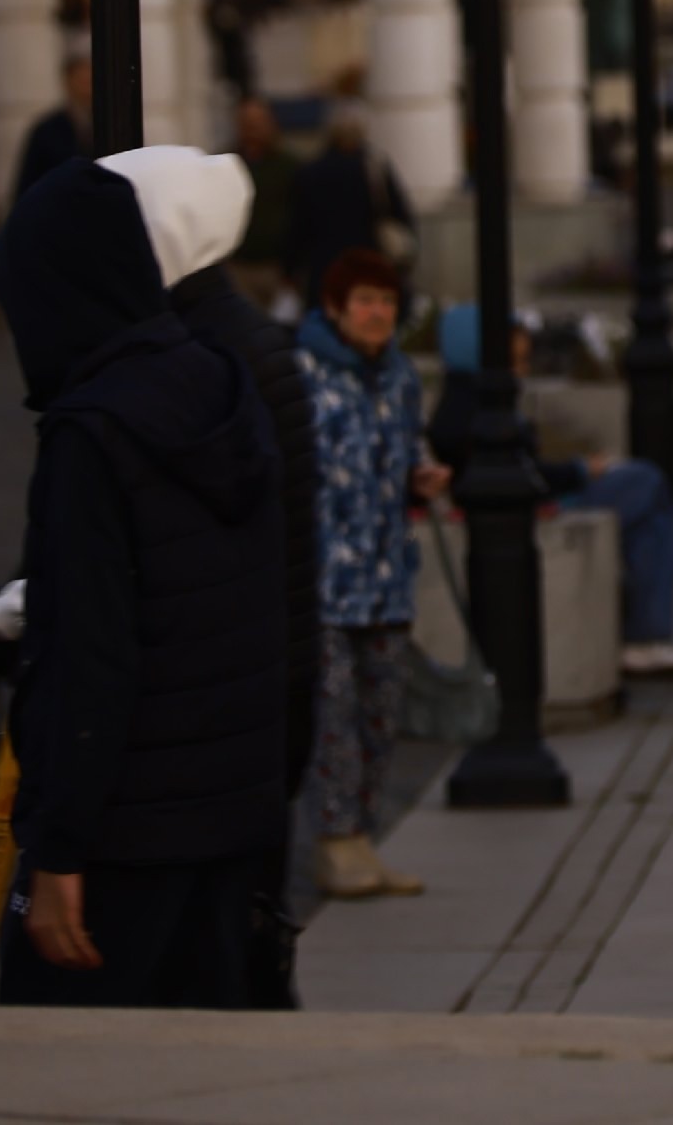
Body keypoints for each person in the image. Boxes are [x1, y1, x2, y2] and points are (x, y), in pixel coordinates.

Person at [0, 148, 321, 994]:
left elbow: (92, 652)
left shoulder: (94, 431)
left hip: (130, 831)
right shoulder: (220, 379)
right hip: (226, 811)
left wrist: (58, 852)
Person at [426, 307, 673, 678]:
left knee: (649, 518)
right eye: (515, 344)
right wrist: (580, 470)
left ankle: (653, 626)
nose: (525, 352)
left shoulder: (475, 397)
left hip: (535, 502)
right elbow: (518, 475)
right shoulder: (472, 407)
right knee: (644, 481)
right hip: (533, 513)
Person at [294, 249, 437, 899]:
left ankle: (364, 839)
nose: (377, 313)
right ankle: (333, 842)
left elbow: (409, 448)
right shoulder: (303, 374)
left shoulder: (401, 376)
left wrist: (424, 473)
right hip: (324, 582)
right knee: (333, 716)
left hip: (386, 575)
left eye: (386, 301)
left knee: (382, 714)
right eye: (364, 301)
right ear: (334, 308)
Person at [284, 104, 412, 312]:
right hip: (368, 266)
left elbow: (297, 228)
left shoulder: (311, 171)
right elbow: (401, 216)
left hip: (325, 270)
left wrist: (290, 270)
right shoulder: (374, 169)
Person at [229, 98, 301, 310]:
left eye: (259, 121)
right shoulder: (227, 164)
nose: (253, 128)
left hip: (277, 266)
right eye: (248, 122)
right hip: (239, 266)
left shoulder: (289, 166)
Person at [12, 55, 93, 203]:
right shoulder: (47, 130)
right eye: (81, 80)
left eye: (88, 80)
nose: (85, 86)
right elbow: (29, 180)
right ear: (68, 82)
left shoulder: (106, 126)